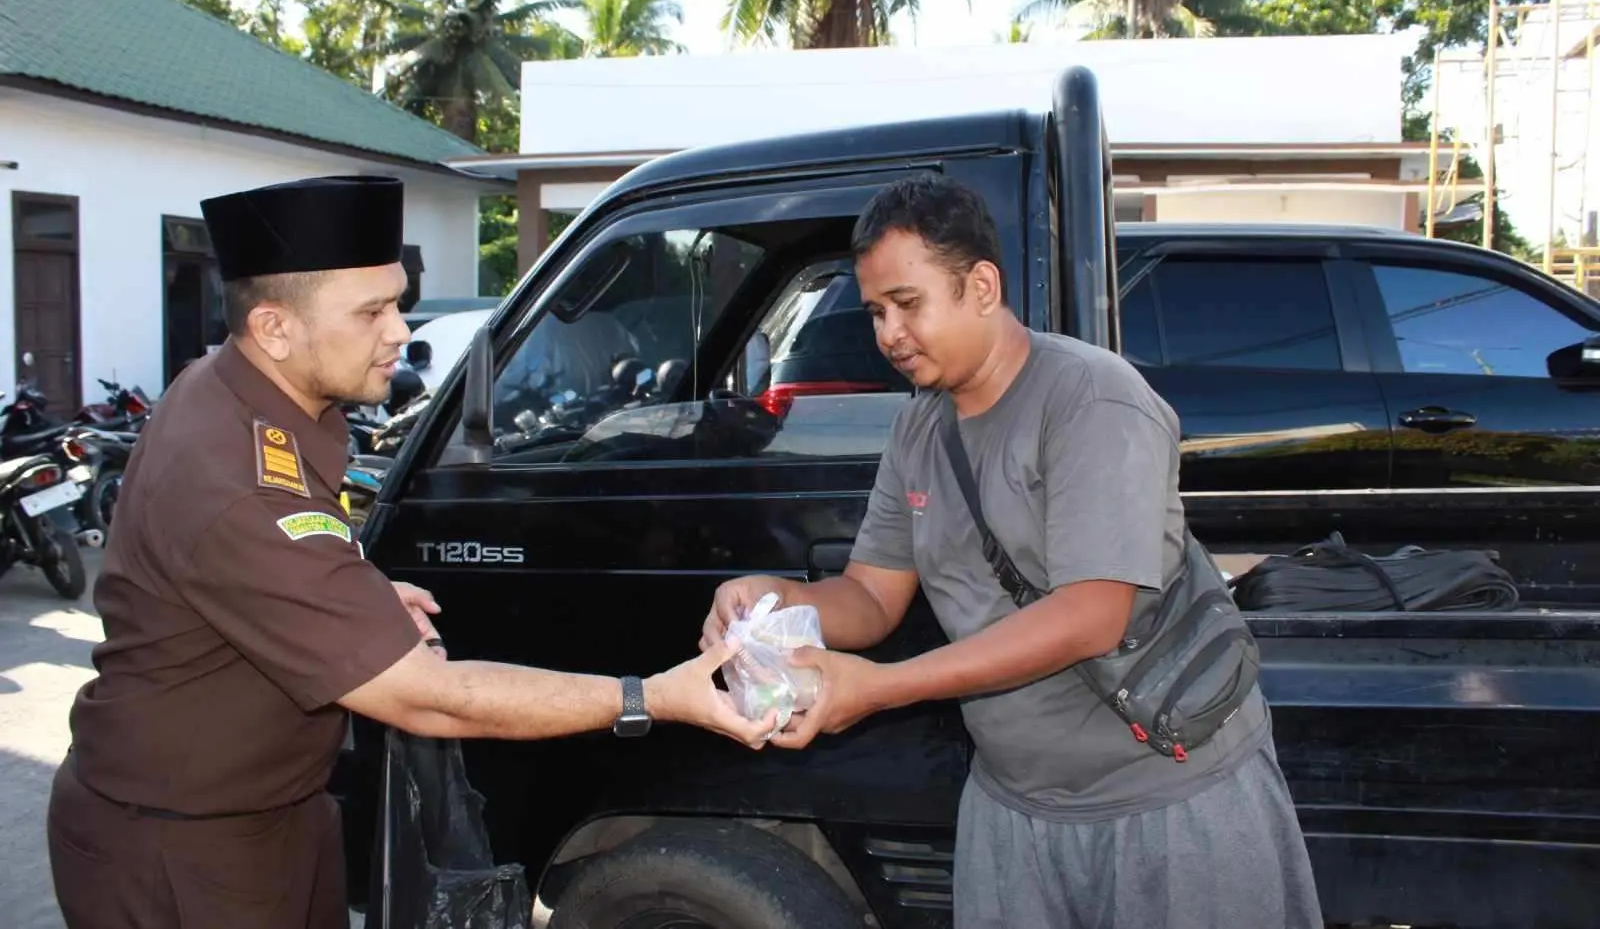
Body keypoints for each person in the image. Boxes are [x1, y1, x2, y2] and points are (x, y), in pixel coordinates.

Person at [47, 174, 776, 929]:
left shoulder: (257, 394)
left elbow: (257, 571)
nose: (399, 330)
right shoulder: (236, 479)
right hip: (181, 849)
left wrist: (349, 592)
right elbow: (424, 695)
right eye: (370, 312)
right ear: (273, 328)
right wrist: (649, 696)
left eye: (397, 300)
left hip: (272, 816)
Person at [701, 173, 1323, 928]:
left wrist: (877, 688)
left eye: (908, 304)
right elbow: (870, 597)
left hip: (1167, 801)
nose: (888, 334)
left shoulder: (1092, 400)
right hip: (1015, 812)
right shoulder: (919, 429)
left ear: (983, 287)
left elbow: (1091, 615)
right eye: (874, 312)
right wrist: (769, 597)